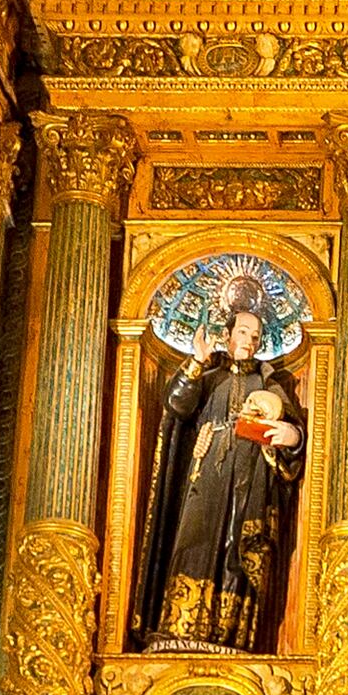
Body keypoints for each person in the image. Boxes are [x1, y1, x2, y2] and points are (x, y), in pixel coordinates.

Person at [134, 272, 304, 651]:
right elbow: (177, 405)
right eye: (243, 332)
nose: (250, 340)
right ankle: (181, 627)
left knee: (238, 553)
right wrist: (194, 362)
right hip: (207, 473)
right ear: (228, 334)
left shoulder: (269, 384)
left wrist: (289, 435)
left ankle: (230, 635)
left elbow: (291, 432)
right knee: (194, 540)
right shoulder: (209, 377)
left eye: (256, 336)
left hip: (251, 481)